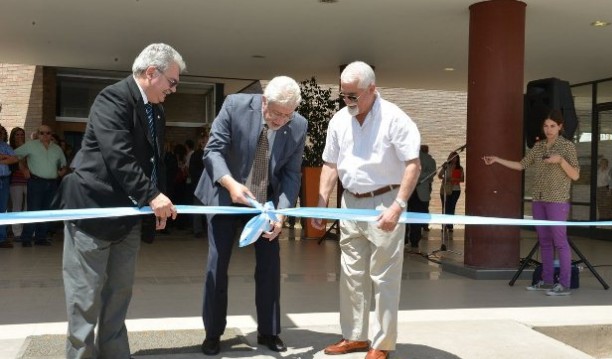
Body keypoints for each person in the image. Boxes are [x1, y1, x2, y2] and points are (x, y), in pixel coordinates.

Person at [53, 43, 184, 358]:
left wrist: (157, 202)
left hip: (129, 218)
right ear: (152, 73)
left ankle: (114, 352)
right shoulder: (112, 99)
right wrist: (152, 196)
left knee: (119, 294)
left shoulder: (157, 109)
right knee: (84, 298)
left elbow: (153, 161)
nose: (174, 89)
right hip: (93, 213)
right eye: (172, 82)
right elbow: (118, 157)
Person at [310, 61, 421, 359]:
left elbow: (413, 164)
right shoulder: (339, 121)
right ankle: (355, 336)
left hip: (386, 201)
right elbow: (330, 164)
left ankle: (382, 344)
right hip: (350, 205)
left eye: (353, 95)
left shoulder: (395, 119)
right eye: (343, 94)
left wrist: (398, 206)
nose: (346, 101)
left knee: (384, 277)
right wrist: (322, 204)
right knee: (351, 273)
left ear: (373, 89)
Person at [194, 76, 308, 356]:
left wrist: (280, 212)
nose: (282, 120)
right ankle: (213, 333)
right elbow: (213, 151)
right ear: (264, 101)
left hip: (264, 205)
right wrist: (231, 184)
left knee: (270, 268)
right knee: (217, 266)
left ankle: (269, 331)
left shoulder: (299, 124)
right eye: (277, 113)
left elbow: (292, 174)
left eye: (288, 114)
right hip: (225, 196)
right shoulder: (234, 105)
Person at [483, 109, 580, 296]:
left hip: (557, 201)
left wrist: (560, 161)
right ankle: (547, 280)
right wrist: (497, 160)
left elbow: (575, 175)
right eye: (546, 126)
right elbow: (521, 165)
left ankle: (565, 284)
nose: (548, 129)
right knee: (544, 242)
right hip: (538, 199)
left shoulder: (567, 147)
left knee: (560, 242)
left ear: (560, 127)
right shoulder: (539, 146)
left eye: (553, 126)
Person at [14, 124, 67, 246]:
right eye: (42, 133)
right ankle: (26, 238)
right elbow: (15, 155)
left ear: (51, 134)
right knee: (33, 210)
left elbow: (63, 164)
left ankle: (41, 238)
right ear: (37, 134)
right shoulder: (31, 145)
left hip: (52, 183)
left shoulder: (57, 149)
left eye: (48, 133)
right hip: (36, 182)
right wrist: (24, 169)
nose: (45, 135)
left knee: (47, 211)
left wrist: (62, 172)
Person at [405, 145, 436, 249]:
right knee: (408, 216)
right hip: (407, 191)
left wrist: (417, 177)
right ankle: (407, 239)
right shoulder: (406, 157)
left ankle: (414, 240)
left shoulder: (428, 159)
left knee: (415, 216)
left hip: (419, 191)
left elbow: (432, 172)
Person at [0, 125, 18, 248]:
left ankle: (2, 238)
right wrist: (5, 157)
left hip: (4, 179)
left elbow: (15, 159)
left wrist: (2, 159)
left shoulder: (5, 146)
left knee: (3, 209)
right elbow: (10, 158)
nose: (0, 134)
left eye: (2, 132)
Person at [8, 127, 28, 241]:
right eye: (17, 134)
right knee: (16, 206)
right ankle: (17, 233)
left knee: (28, 207)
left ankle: (27, 231)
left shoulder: (28, 148)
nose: (20, 136)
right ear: (13, 136)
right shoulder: (10, 149)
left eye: (22, 134)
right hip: (15, 181)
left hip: (28, 180)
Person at [438, 151, 464, 232]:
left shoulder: (460, 168)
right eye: (452, 157)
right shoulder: (446, 166)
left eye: (456, 157)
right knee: (445, 207)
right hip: (446, 188)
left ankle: (450, 225)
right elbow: (439, 175)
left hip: (455, 189)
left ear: (457, 159)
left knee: (451, 207)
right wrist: (445, 179)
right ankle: (444, 225)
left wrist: (454, 179)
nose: (454, 159)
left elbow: (462, 179)